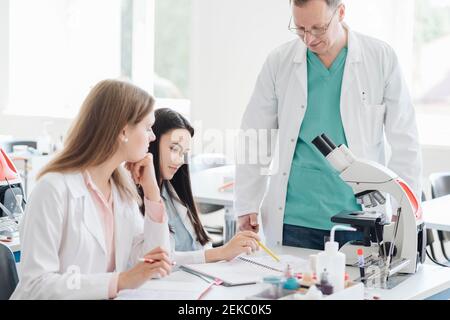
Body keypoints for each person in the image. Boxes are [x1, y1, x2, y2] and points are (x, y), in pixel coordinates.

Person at [235, 0, 422, 249]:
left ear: (341, 13)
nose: (309, 39)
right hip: (294, 221)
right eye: (300, 29)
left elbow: (405, 140)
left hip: (360, 220)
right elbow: (255, 136)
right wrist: (247, 203)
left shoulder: (380, 58)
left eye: (318, 28)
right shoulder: (279, 61)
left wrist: (406, 214)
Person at [11, 80, 173, 299]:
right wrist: (119, 281)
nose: (152, 136)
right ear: (124, 130)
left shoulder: (120, 191)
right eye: (147, 127)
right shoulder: (53, 190)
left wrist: (152, 192)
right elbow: (36, 286)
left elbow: (152, 265)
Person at [138, 108, 260, 265]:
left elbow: (199, 245)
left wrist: (228, 251)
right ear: (151, 142)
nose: (180, 160)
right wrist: (221, 252)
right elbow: (156, 260)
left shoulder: (173, 191)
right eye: (174, 149)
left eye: (184, 153)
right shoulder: (136, 197)